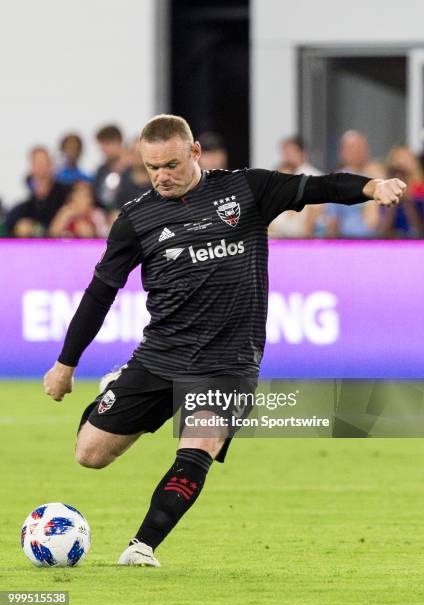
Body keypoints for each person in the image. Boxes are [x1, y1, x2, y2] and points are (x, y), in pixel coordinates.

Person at [43, 114, 406, 568]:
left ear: (194, 152)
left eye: (171, 165)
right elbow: (101, 293)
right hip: (161, 356)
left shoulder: (246, 190)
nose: (163, 177)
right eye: (152, 168)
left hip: (229, 363)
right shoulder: (136, 218)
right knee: (89, 455)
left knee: (197, 447)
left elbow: (318, 187)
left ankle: (142, 547)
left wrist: (370, 187)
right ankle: (117, 387)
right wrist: (66, 364)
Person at [326, 130, 381, 238]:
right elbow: (333, 220)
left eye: (361, 147)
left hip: (378, 241)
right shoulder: (336, 181)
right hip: (347, 241)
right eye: (352, 147)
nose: (357, 151)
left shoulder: (378, 175)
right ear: (342, 153)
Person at [5, 147, 70, 237]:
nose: (41, 168)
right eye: (37, 163)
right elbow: (10, 223)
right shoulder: (26, 203)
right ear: (31, 167)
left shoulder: (65, 194)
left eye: (44, 163)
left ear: (51, 165)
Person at [268, 136, 324, 238]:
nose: (286, 157)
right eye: (284, 153)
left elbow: (314, 216)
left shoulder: (315, 177)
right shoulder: (279, 175)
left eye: (290, 152)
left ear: (302, 153)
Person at [93, 124, 128, 211]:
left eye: (107, 144)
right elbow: (98, 198)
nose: (103, 149)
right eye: (101, 145)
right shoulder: (101, 170)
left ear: (119, 141)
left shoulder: (134, 168)